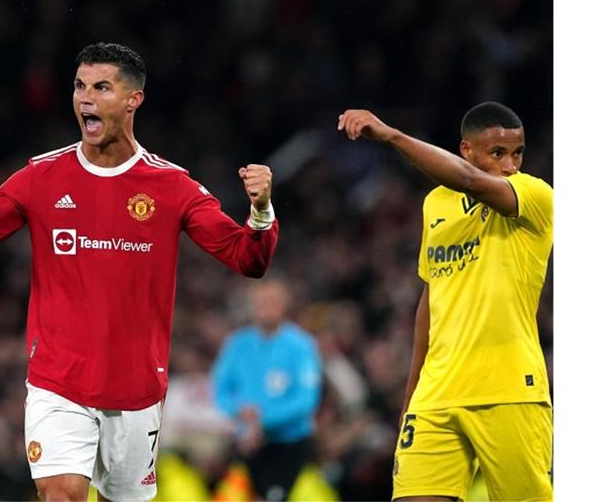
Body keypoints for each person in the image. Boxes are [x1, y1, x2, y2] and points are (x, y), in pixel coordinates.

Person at [0, 42, 279, 502]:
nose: (85, 98)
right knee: (61, 493)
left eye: (102, 87)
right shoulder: (40, 177)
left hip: (138, 390)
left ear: (132, 99)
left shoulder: (173, 187)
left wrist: (260, 212)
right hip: (58, 381)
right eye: (80, 86)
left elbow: (247, 259)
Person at [337, 102, 552, 501]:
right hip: (437, 394)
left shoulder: (534, 195)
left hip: (507, 389)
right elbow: (431, 297)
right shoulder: (435, 203)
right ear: (467, 149)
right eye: (497, 153)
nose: (510, 165)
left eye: (517, 152)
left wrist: (392, 136)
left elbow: (469, 180)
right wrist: (412, 396)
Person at [211, 278, 323, 501]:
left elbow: (306, 400)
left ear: (284, 305)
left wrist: (261, 421)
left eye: (271, 301)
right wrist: (238, 411)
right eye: (260, 301)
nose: (265, 307)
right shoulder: (237, 344)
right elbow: (221, 389)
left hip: (288, 445)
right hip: (247, 443)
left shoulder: (301, 346)